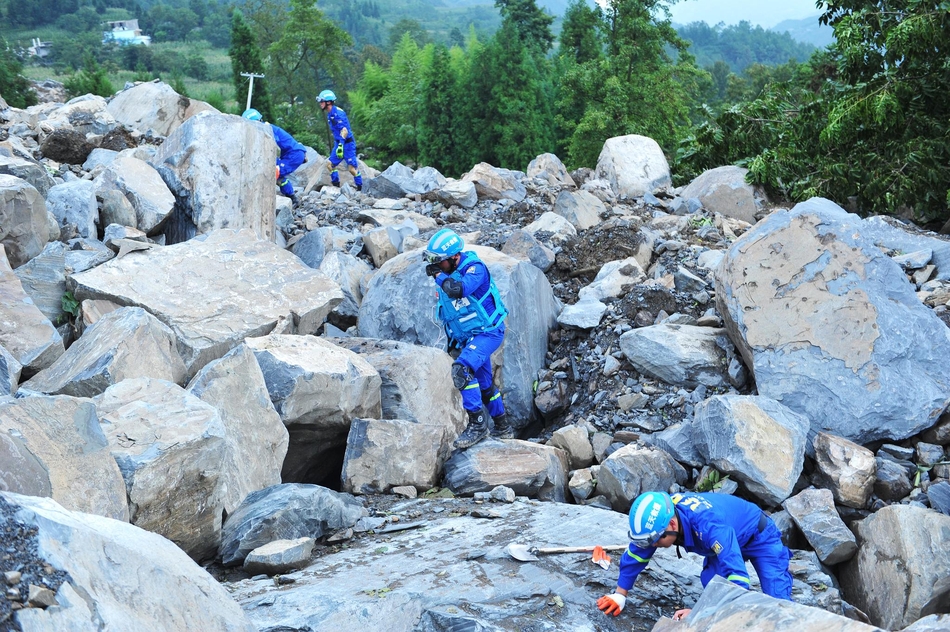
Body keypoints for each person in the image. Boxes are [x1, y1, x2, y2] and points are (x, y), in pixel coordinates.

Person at [597, 491, 793, 621]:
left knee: (778, 604)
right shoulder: (663, 519)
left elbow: (738, 580)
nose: (652, 546)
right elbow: (637, 553)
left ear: (672, 526)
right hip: (725, 538)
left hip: (759, 537)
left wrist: (700, 613)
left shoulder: (709, 526)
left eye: (656, 540)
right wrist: (619, 594)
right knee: (711, 582)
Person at [423, 228, 514, 448]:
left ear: (455, 257)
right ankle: (503, 428)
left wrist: (438, 275)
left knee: (462, 371)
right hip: (469, 337)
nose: (438, 266)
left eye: (441, 262)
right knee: (484, 385)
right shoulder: (447, 269)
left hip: (488, 332)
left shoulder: (475, 269)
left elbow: (459, 290)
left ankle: (478, 425)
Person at [242, 108, 307, 207]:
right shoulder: (265, 128)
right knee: (278, 177)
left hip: (294, 154)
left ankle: (264, 201)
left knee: (273, 172)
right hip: (293, 154)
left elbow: (271, 145)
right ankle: (293, 198)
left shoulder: (267, 129)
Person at [317, 89, 363, 192]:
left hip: (347, 144)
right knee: (329, 164)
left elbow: (344, 130)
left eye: (322, 101)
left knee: (351, 169)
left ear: (328, 102)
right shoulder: (330, 113)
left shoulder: (338, 114)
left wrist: (341, 145)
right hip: (339, 143)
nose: (320, 104)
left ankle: (360, 188)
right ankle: (336, 185)